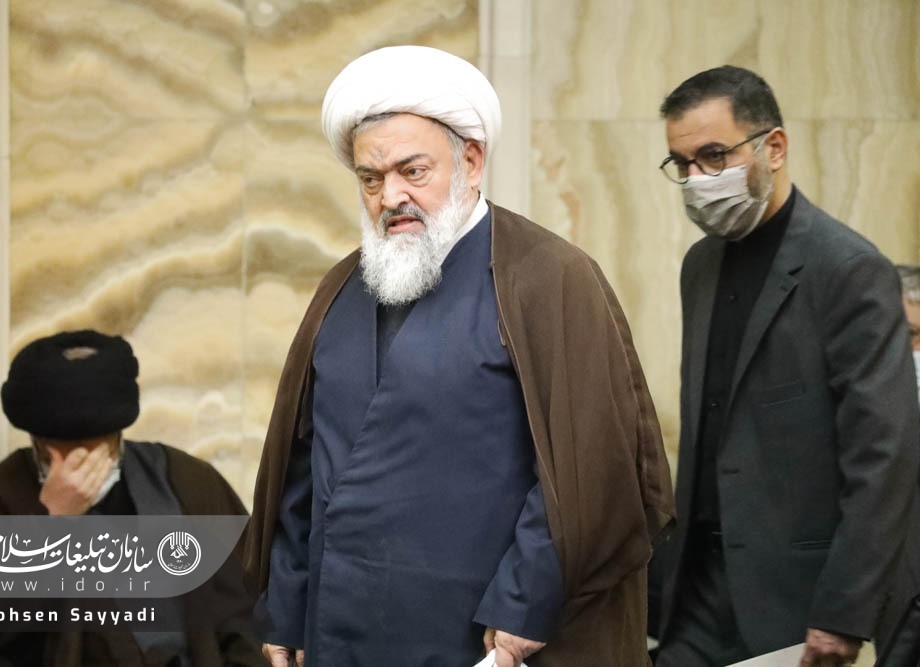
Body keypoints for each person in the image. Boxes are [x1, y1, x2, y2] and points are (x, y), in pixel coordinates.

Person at [243, 45, 675, 667]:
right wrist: (285, 610)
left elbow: (592, 466)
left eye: (412, 171)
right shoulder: (340, 289)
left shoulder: (548, 276)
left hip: (483, 639)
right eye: (371, 179)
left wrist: (523, 607)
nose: (391, 196)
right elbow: (302, 471)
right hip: (342, 631)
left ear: (471, 161)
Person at [655, 65, 920, 667]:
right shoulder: (700, 266)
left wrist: (844, 611)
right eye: (682, 163)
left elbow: (884, 456)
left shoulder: (850, 270)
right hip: (697, 593)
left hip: (798, 602)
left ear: (773, 147)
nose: (697, 180)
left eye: (715, 156)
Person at [0, 329, 259, 666]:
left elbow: (247, 615)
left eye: (92, 449)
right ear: (37, 442)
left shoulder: (184, 481)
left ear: (117, 436)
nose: (80, 467)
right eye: (63, 449)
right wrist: (52, 520)